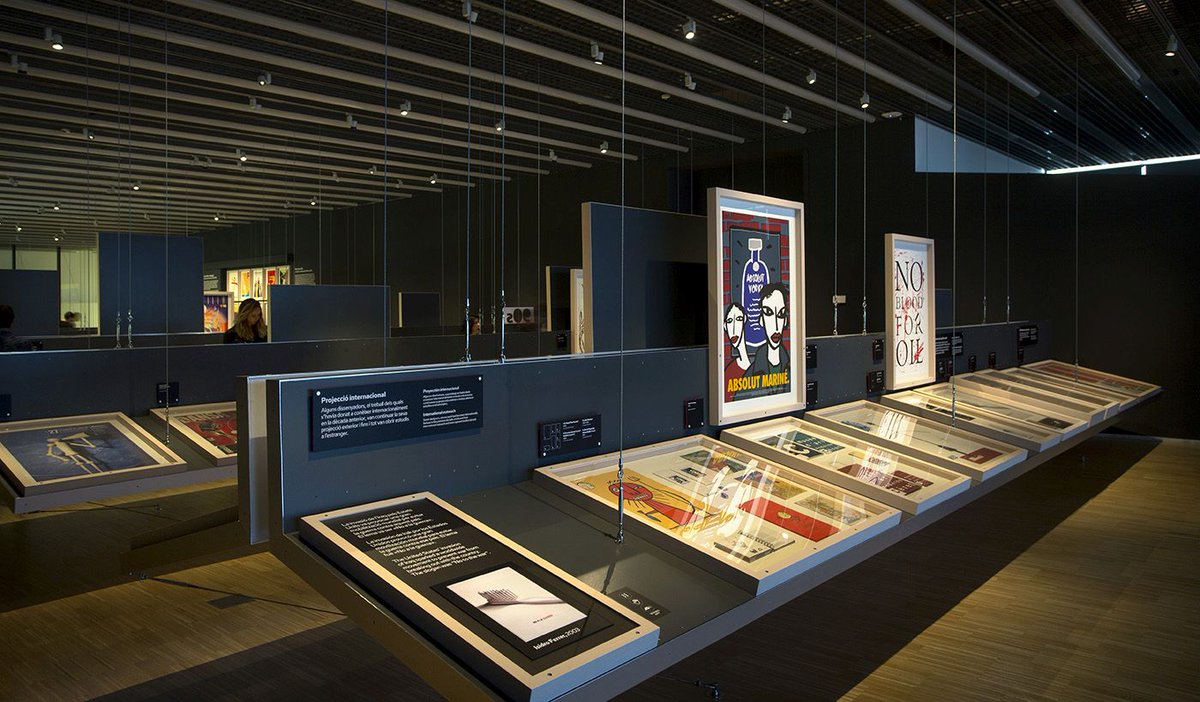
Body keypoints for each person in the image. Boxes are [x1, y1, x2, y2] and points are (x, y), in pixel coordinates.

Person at [748, 283, 789, 376]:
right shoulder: (751, 376)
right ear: (761, 320)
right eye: (768, 313)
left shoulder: (792, 367)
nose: (776, 326)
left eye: (781, 314)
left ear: (785, 321)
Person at [723, 301, 751, 379]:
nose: (734, 329)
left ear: (744, 320)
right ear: (725, 326)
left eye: (739, 319)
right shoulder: (729, 371)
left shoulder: (759, 361)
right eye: (729, 321)